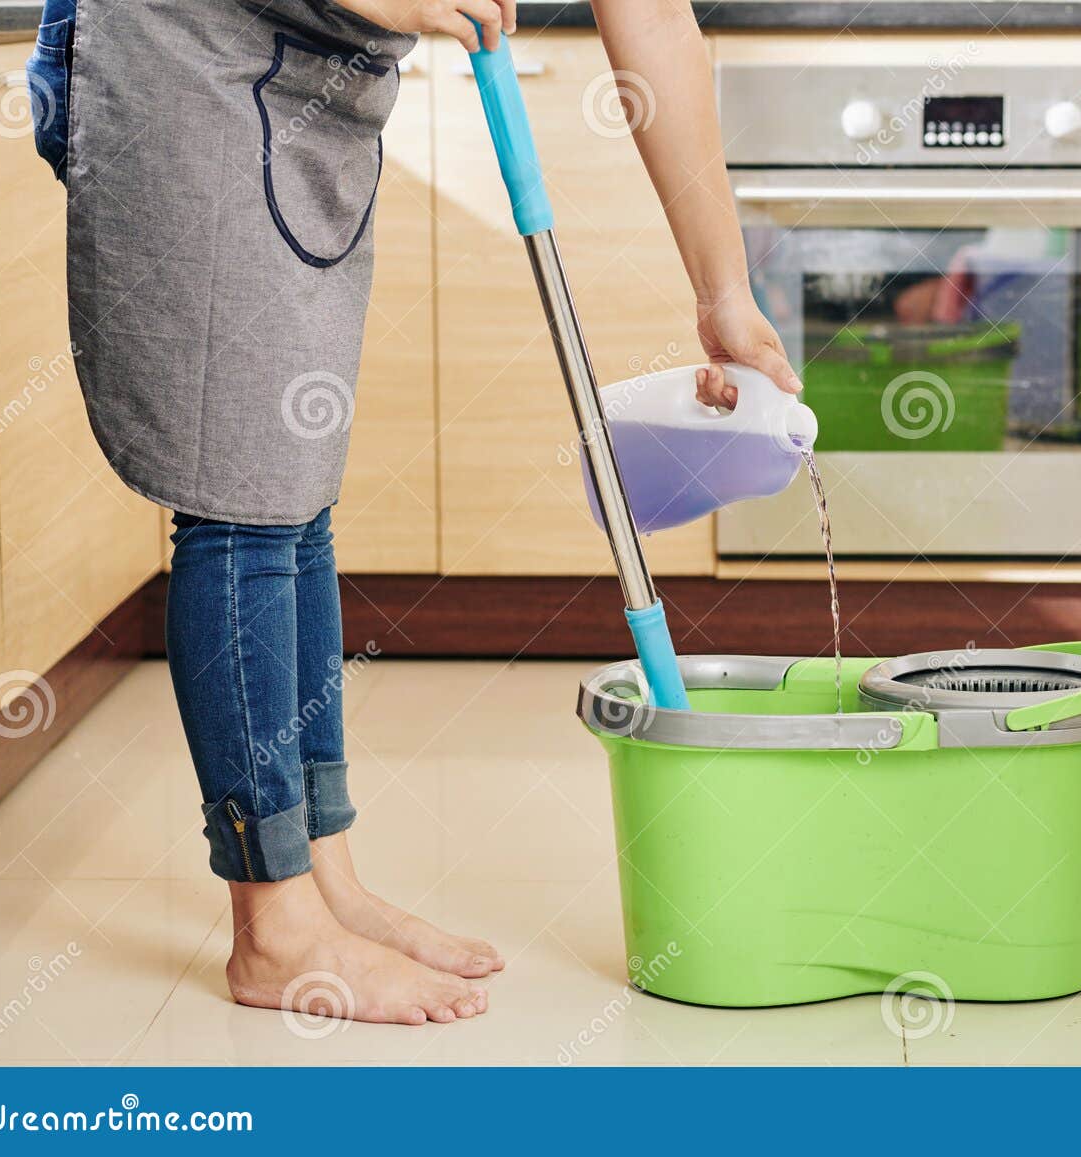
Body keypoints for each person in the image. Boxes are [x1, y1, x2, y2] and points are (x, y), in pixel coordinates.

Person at [39, 0, 799, 1026]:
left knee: (290, 489)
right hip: (184, 48)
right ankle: (275, 926)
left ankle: (322, 875)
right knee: (242, 500)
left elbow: (655, 20)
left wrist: (723, 291)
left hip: (310, 71)